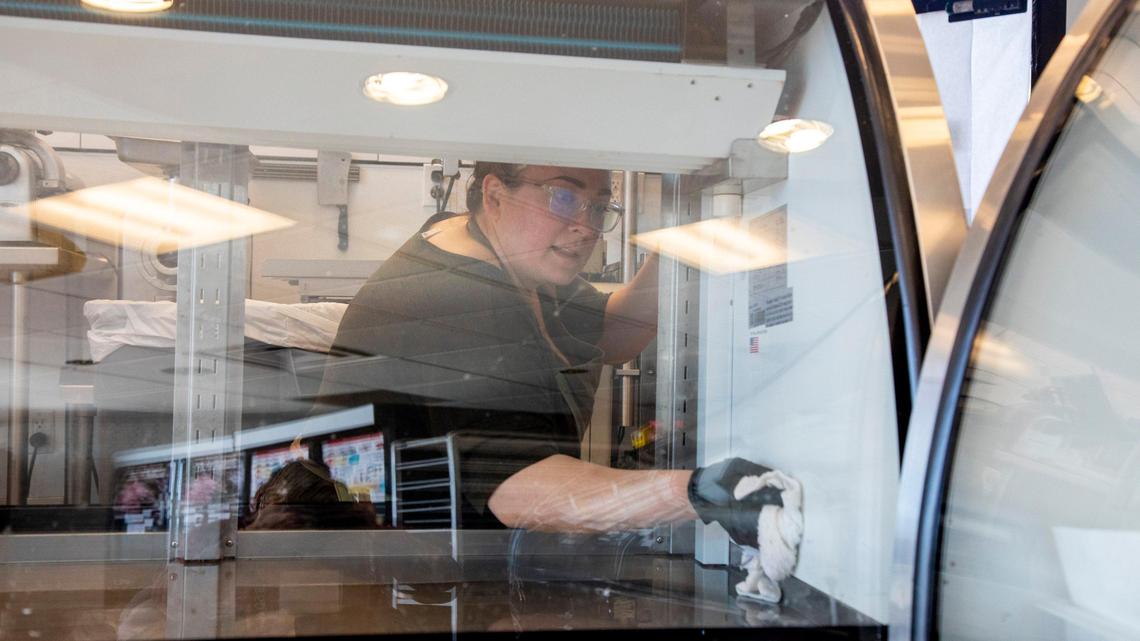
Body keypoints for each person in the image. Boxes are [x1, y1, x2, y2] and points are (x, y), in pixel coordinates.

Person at [318, 162, 780, 546]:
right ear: (495, 195)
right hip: (400, 568)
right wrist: (701, 492)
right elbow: (521, 490)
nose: (587, 227)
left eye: (599, 206)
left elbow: (612, 332)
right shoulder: (457, 296)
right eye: (563, 197)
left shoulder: (507, 255)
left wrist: (683, 247)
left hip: (458, 548)